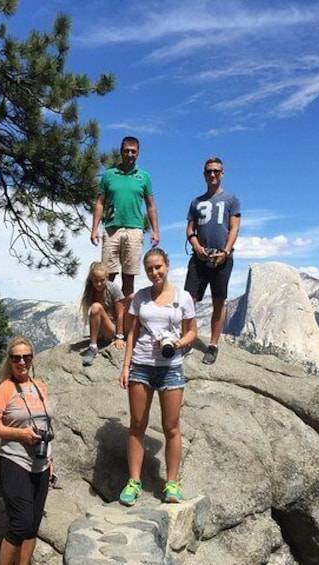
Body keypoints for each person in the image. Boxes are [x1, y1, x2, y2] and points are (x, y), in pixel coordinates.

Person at [118, 248, 197, 506]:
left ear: (167, 265)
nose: (154, 273)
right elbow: (131, 332)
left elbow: (192, 333)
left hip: (170, 366)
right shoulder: (140, 298)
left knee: (171, 426)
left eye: (158, 267)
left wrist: (177, 343)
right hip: (141, 364)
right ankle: (134, 481)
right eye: (150, 268)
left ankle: (171, 483)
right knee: (137, 424)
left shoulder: (183, 297)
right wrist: (126, 365)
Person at [0, 336, 54, 565]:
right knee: (19, 524)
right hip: (15, 462)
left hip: (41, 463)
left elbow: (47, 426)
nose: (22, 362)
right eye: (16, 358)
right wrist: (21, 434)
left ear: (32, 358)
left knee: (32, 525)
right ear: (10, 361)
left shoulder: (40, 387)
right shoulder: (4, 389)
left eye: (26, 357)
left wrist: (51, 460)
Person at [184, 157, 241, 365]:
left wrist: (225, 252)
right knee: (189, 300)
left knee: (219, 301)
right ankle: (189, 339)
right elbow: (190, 229)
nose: (213, 174)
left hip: (222, 258)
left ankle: (213, 345)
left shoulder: (231, 199)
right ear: (204, 174)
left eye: (216, 171)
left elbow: (234, 227)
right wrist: (196, 246)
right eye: (209, 171)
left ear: (222, 173)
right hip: (199, 258)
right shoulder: (196, 202)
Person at [90, 136, 160, 298]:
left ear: (138, 153)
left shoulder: (144, 177)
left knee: (128, 277)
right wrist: (94, 229)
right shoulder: (109, 175)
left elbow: (151, 205)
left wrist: (155, 231)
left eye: (133, 151)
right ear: (121, 152)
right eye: (126, 151)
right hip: (112, 229)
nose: (129, 154)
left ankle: (126, 319)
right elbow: (100, 203)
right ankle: (106, 315)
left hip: (134, 229)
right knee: (108, 277)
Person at [79, 261, 126, 366]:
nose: (99, 284)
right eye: (96, 280)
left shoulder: (113, 289)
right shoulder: (90, 290)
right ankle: (93, 345)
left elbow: (120, 313)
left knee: (96, 307)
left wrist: (119, 337)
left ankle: (93, 347)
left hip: (113, 329)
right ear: (91, 279)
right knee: (96, 308)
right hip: (102, 330)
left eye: (102, 280)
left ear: (107, 278)